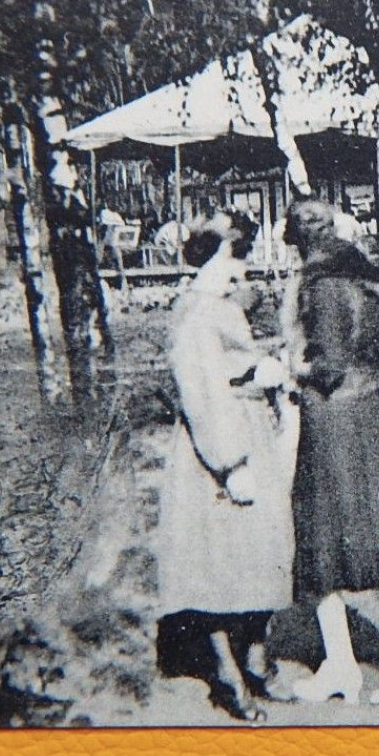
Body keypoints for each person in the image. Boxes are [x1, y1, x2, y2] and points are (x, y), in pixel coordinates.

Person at [271, 199, 379, 706]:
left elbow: (327, 360)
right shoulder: (363, 274)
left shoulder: (321, 284)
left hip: (333, 419)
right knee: (362, 544)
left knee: (324, 540)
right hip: (367, 410)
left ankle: (353, 664)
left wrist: (288, 370)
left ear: (300, 241)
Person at [155, 212, 293, 722]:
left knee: (263, 549)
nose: (244, 270)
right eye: (238, 257)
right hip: (217, 444)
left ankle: (256, 658)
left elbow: (235, 361)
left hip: (248, 427)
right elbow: (202, 389)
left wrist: (262, 368)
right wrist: (229, 463)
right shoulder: (195, 312)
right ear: (216, 257)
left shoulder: (221, 304)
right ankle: (227, 677)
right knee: (218, 561)